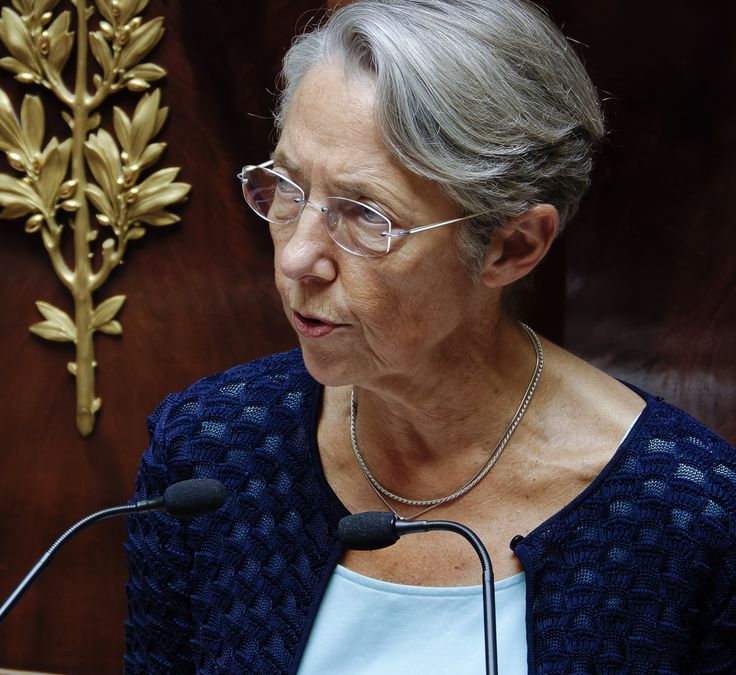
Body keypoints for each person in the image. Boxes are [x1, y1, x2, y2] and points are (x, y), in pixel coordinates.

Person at [122, 0, 736, 673]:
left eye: (364, 215)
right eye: (286, 187)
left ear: (511, 246)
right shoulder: (208, 451)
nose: (298, 258)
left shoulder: (688, 518)